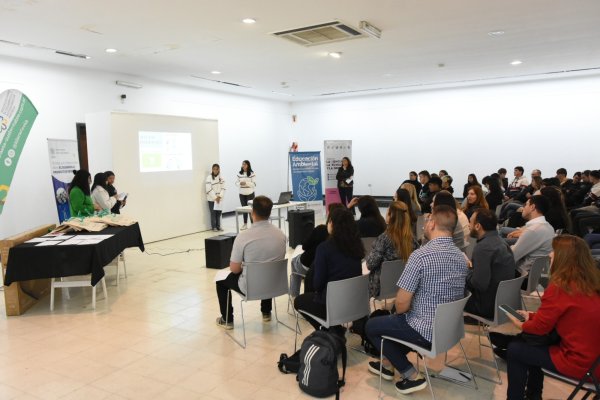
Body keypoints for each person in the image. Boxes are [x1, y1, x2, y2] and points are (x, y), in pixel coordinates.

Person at [365, 205, 468, 394]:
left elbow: (402, 304)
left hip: (424, 332)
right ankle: (387, 364)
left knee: (372, 326)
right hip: (448, 331)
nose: (425, 224)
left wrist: (397, 314)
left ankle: (410, 374)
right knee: (394, 325)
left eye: (428, 220)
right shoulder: (461, 257)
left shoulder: (421, 256)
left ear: (433, 224)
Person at [502, 235, 600, 400]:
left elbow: (539, 329)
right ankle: (533, 395)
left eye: (554, 251)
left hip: (581, 363)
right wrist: (531, 315)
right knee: (527, 344)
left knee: (515, 349)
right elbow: (566, 316)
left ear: (563, 257)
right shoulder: (590, 282)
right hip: (595, 359)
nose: (550, 255)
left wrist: (521, 324)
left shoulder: (561, 286)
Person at [215, 196, 286, 328]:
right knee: (267, 268)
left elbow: (234, 269)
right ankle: (266, 312)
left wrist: (245, 267)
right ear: (270, 213)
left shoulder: (243, 237)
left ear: (252, 212)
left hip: (250, 288)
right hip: (275, 285)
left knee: (220, 281)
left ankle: (227, 320)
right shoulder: (281, 234)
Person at [294, 208, 364, 334]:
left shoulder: (325, 248)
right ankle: (334, 328)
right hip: (353, 301)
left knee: (299, 301)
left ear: (332, 224)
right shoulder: (357, 246)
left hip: (331, 304)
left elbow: (318, 284)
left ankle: (328, 330)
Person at [465, 209, 516, 319]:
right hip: (502, 302)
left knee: (447, 290)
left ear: (478, 226)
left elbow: (479, 285)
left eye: (470, 222)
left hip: (486, 307)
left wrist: (466, 271)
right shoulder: (501, 242)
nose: (468, 225)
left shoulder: (483, 248)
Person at [289, 203, 345, 297]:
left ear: (330, 217)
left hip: (309, 266)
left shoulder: (321, 230)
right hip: (330, 271)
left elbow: (304, 246)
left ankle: (294, 295)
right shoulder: (347, 237)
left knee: (294, 261)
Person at [366, 201, 417, 298]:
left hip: (380, 290)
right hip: (404, 287)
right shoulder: (412, 240)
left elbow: (370, 264)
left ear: (391, 216)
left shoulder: (384, 239)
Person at [509, 195, 555, 274]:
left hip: (521, 274)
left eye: (526, 204)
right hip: (535, 275)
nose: (523, 208)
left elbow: (511, 257)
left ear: (532, 207)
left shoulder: (533, 230)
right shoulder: (549, 227)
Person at [236, 160, 256, 230]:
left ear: (248, 165)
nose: (243, 166)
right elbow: (236, 183)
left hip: (250, 193)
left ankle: (253, 224)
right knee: (244, 209)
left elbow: (254, 184)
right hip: (242, 194)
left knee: (251, 210)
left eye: (245, 164)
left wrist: (246, 183)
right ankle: (245, 224)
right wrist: (240, 184)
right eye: (242, 164)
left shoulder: (252, 173)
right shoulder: (239, 173)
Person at [206, 163, 225, 232]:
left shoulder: (221, 178)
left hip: (220, 199)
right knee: (213, 213)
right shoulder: (209, 177)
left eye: (216, 169)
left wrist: (219, 196)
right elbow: (208, 189)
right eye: (214, 169)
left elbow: (223, 188)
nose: (215, 170)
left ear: (219, 169)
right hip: (212, 199)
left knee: (219, 213)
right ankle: (214, 227)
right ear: (212, 169)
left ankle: (218, 226)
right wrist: (215, 197)